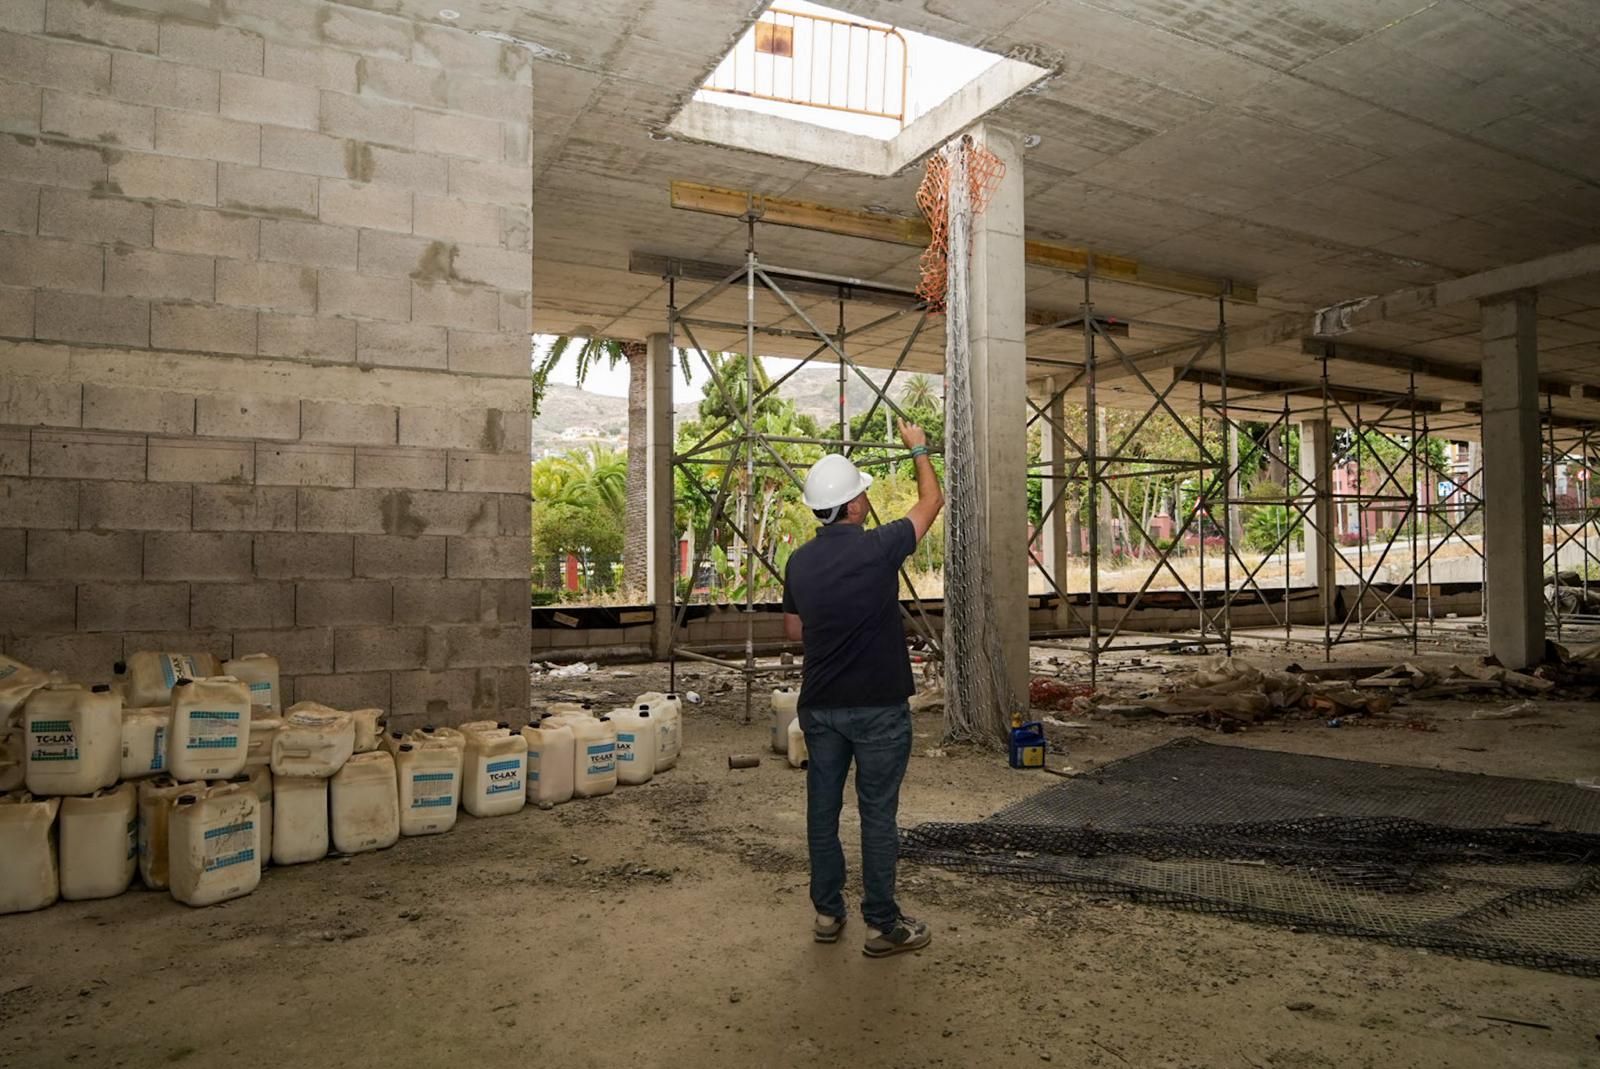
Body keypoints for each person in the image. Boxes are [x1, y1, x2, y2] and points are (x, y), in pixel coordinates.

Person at [781, 420, 944, 957]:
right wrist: (918, 447)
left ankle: (828, 913)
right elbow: (932, 500)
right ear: (852, 506)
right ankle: (882, 925)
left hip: (821, 707)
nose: (867, 500)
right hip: (878, 707)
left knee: (822, 813)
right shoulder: (880, 546)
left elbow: (795, 632)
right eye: (863, 494)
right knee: (877, 815)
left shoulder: (798, 562)